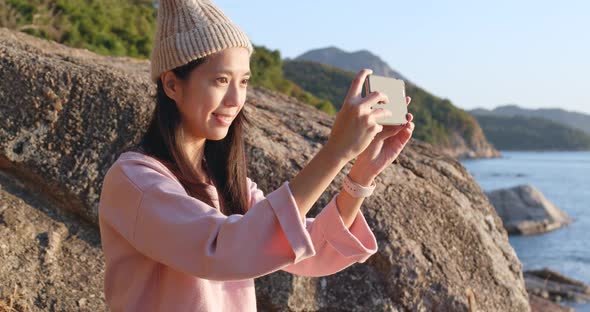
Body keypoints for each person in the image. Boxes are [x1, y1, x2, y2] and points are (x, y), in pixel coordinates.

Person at [97, 0, 415, 311]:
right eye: (221, 80)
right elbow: (223, 250)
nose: (236, 99)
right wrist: (334, 153)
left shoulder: (224, 180)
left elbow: (311, 248)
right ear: (171, 84)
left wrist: (361, 174)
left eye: (244, 82)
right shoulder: (135, 181)